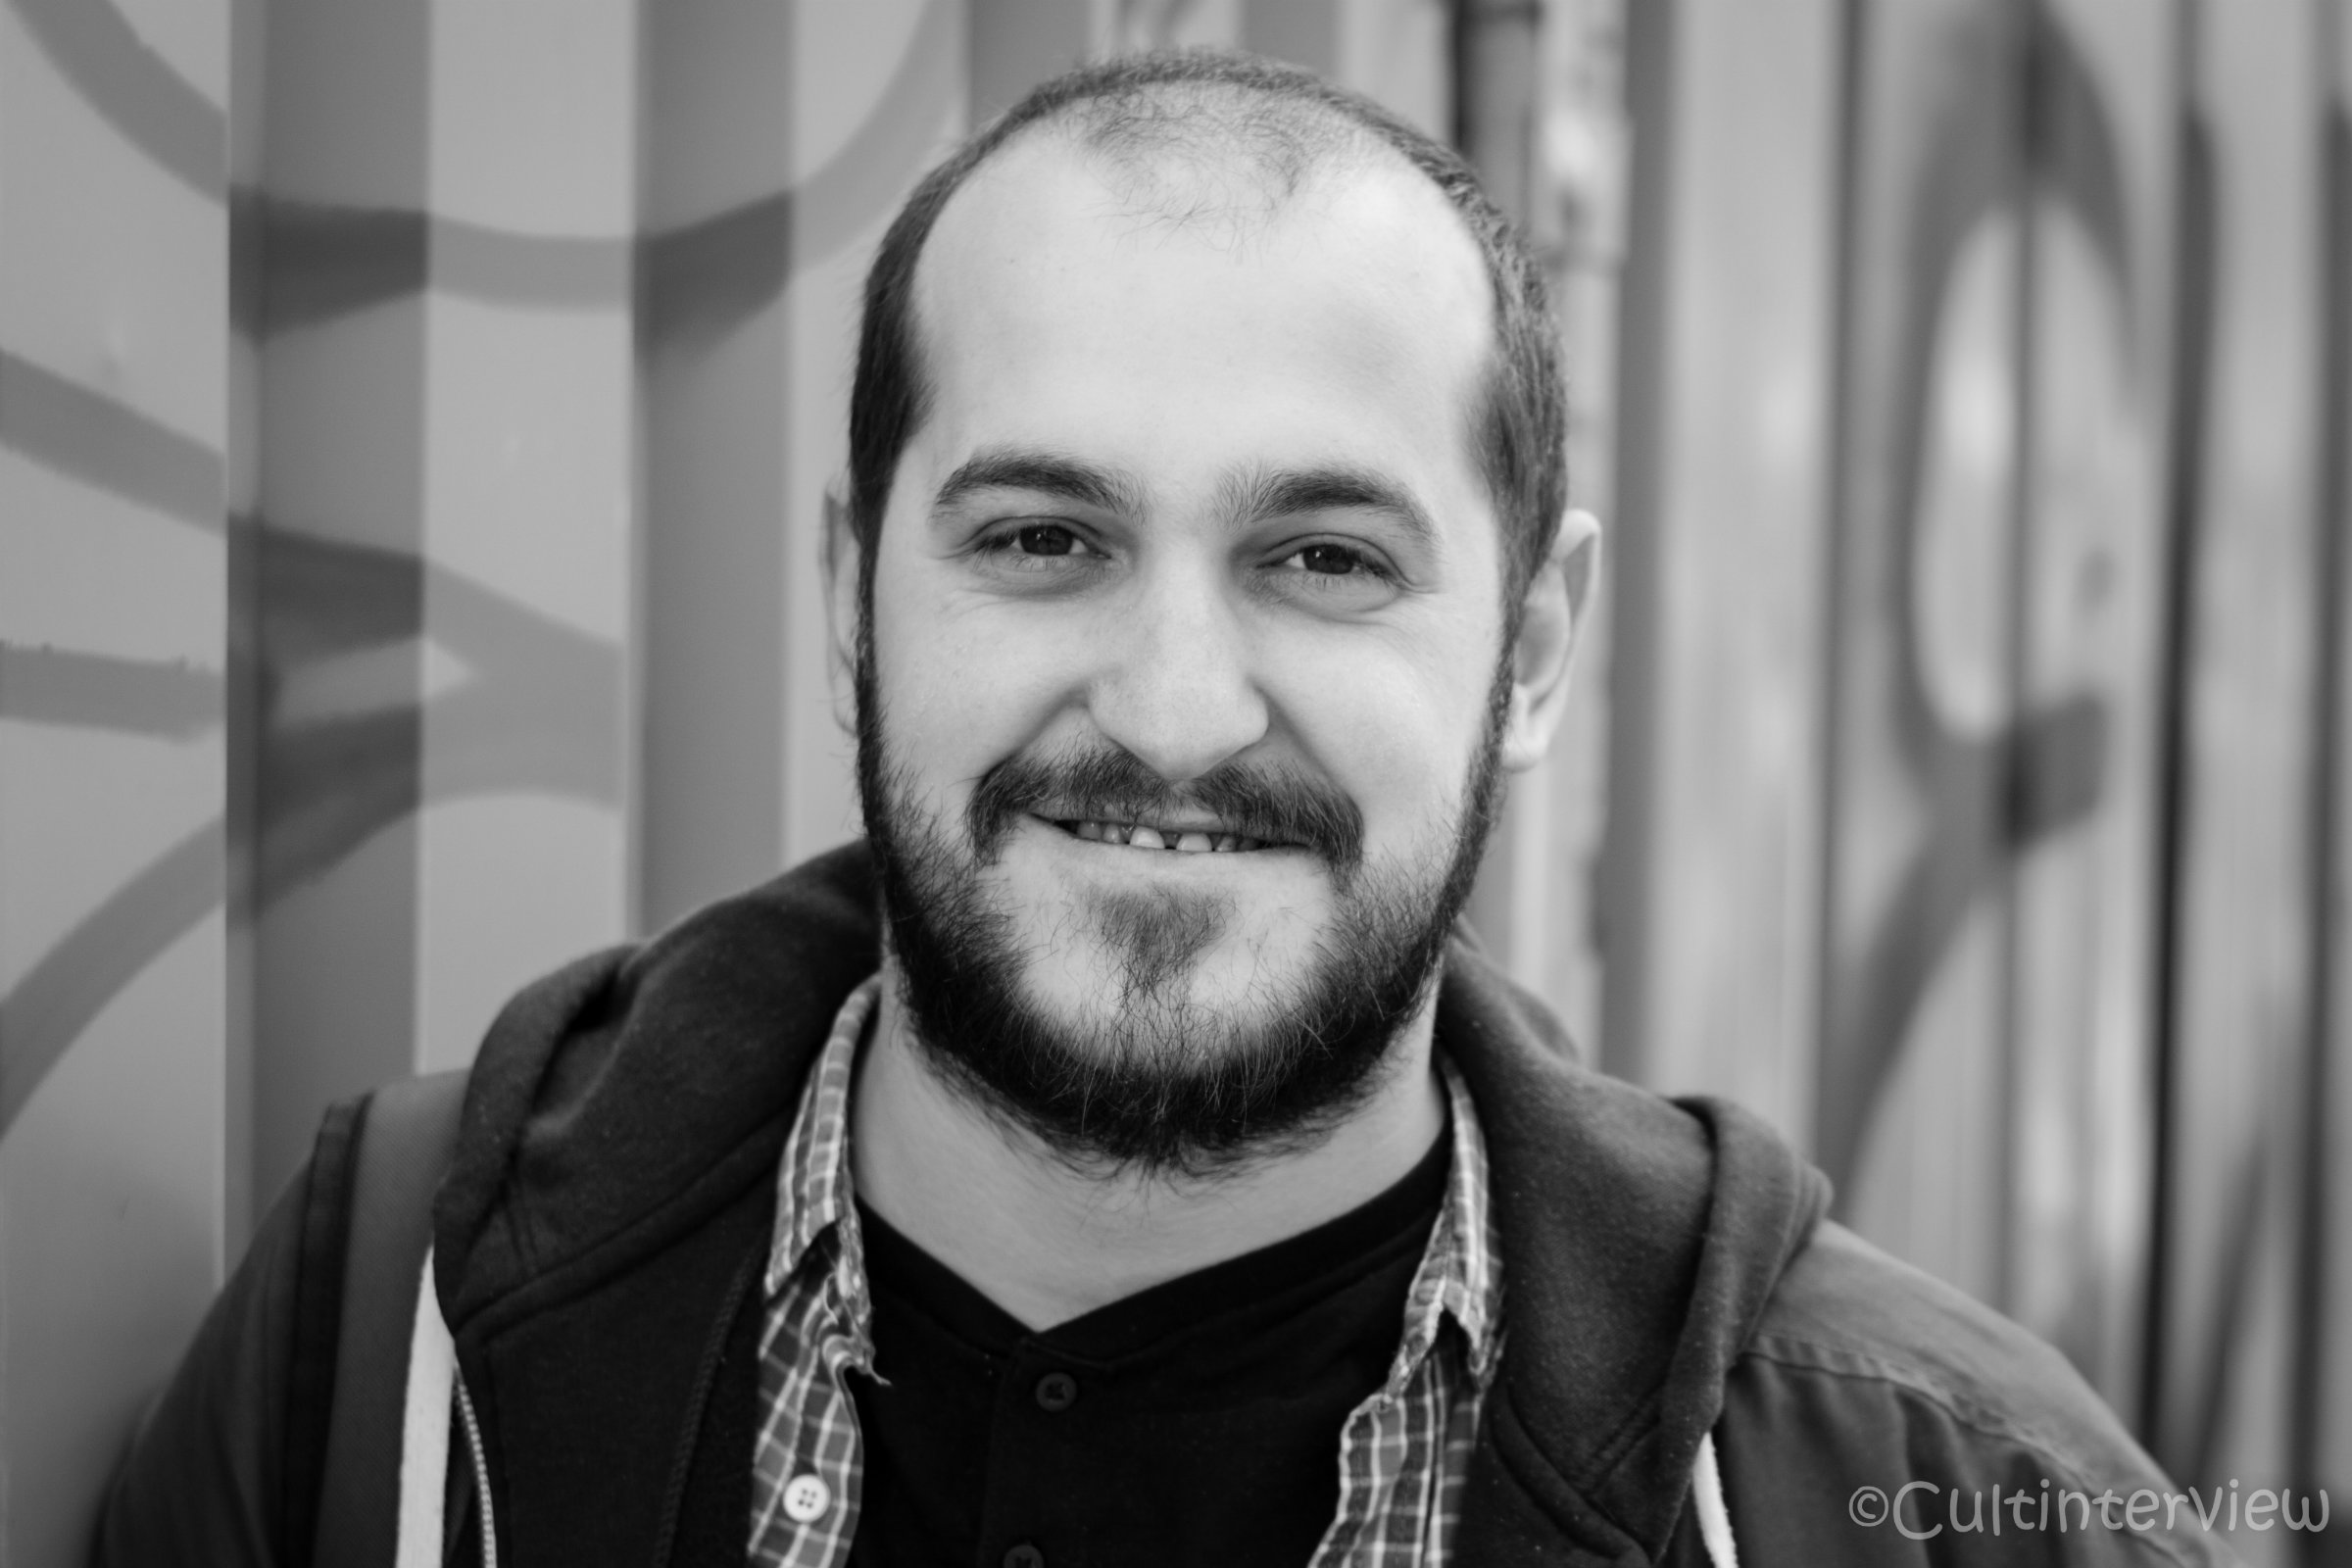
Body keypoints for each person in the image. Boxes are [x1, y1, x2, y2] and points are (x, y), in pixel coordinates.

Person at [97, 50, 2228, 1568]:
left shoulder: (1956, 1504)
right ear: (850, 595)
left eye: (1325, 557)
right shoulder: (381, 1349)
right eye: (1044, 539)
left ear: (1534, 653)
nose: (1179, 710)